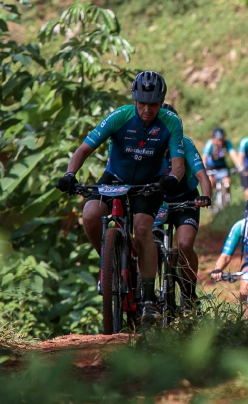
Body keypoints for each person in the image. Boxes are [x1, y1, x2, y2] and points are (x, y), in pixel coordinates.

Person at [55, 71, 185, 324]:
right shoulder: (120, 116)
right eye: (142, 104)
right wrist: (70, 174)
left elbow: (178, 165)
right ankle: (109, 265)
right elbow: (84, 149)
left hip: (149, 183)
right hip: (114, 177)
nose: (147, 110)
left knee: (143, 229)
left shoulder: (171, 122)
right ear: (135, 100)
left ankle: (148, 300)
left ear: (162, 102)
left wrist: (171, 179)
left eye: (154, 104)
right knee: (91, 215)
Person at [159, 104, 212, 311]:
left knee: (184, 244)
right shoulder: (146, 145)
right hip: (157, 201)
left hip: (186, 201)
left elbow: (202, 177)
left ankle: (189, 295)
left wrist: (205, 196)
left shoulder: (185, 144)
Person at [202, 127, 239, 191]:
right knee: (210, 182)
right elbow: (204, 157)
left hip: (222, 166)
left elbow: (233, 154)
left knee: (227, 181)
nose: (221, 142)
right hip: (210, 166)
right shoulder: (210, 143)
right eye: (219, 140)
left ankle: (226, 198)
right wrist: (204, 168)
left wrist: (238, 166)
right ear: (214, 139)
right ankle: (210, 199)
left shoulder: (227, 143)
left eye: (222, 139)